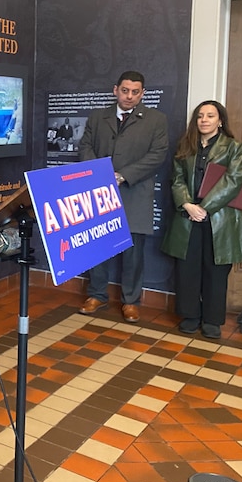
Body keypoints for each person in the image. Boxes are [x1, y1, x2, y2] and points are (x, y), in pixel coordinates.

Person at [78, 70, 169, 322]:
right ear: (115, 90)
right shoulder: (98, 117)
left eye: (135, 92)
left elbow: (157, 155)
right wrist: (99, 173)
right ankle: (97, 295)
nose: (129, 96)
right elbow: (85, 147)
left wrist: (123, 175)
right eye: (125, 91)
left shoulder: (156, 120)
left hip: (134, 191)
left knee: (133, 252)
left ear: (143, 93)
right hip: (100, 191)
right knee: (98, 246)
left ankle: (130, 301)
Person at [161, 101, 242, 339]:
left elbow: (233, 181)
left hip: (219, 219)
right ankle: (190, 315)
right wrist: (188, 204)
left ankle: (212, 320)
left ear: (220, 121)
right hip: (188, 216)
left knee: (215, 270)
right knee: (187, 268)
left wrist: (204, 208)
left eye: (210, 116)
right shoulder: (186, 146)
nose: (204, 120)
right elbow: (176, 179)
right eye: (200, 116)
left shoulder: (235, 148)